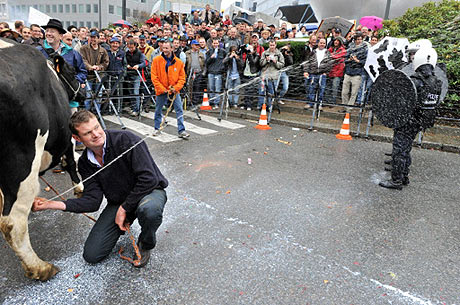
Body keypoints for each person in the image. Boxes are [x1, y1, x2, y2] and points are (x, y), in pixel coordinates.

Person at [33, 110, 168, 267]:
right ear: (77, 138)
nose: (96, 134)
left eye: (97, 127)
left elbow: (149, 179)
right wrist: (51, 204)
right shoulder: (85, 163)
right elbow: (92, 201)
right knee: (92, 254)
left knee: (150, 210)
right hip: (120, 202)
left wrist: (124, 209)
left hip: (149, 192)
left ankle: (146, 243)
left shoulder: (126, 139)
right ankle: (127, 217)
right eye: (88, 133)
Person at [379, 48, 442, 190]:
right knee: (406, 149)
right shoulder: (436, 82)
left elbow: (401, 101)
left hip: (408, 120)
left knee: (399, 150)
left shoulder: (415, 81)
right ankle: (404, 177)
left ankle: (396, 181)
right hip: (421, 121)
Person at [37, 19, 87, 114]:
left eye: (52, 31)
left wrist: (74, 81)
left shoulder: (72, 53)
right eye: (47, 31)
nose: (48, 33)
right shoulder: (38, 52)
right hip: (46, 102)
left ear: (60, 35)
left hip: (69, 102)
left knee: (71, 126)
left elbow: (82, 71)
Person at [151, 40, 190, 139]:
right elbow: (154, 77)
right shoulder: (156, 60)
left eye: (167, 48)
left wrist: (175, 88)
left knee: (179, 110)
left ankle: (181, 130)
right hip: (161, 90)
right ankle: (157, 127)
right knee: (158, 109)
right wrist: (162, 89)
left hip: (174, 90)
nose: (164, 50)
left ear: (172, 49)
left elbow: (182, 78)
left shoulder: (179, 62)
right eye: (163, 48)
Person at [80, 30, 110, 110]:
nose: (93, 39)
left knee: (98, 95)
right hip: (88, 76)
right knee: (88, 96)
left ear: (98, 38)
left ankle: (97, 112)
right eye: (91, 37)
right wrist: (90, 67)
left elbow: (106, 62)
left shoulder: (103, 50)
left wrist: (99, 67)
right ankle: (88, 112)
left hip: (98, 76)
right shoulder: (84, 48)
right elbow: (83, 60)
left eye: (95, 37)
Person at [341, 32, 367, 112]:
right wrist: (349, 60)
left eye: (360, 39)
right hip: (348, 72)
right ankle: (344, 106)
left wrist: (357, 60)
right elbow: (345, 60)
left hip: (357, 73)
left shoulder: (365, 49)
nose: (359, 41)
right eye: (358, 39)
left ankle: (349, 108)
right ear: (355, 40)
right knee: (344, 92)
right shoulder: (350, 48)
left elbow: (365, 62)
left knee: (354, 93)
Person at [303, 38, 332, 109]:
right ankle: (310, 103)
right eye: (321, 43)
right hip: (313, 73)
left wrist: (326, 72)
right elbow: (307, 62)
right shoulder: (313, 52)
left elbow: (330, 64)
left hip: (322, 74)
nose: (322, 44)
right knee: (311, 88)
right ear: (318, 43)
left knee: (321, 89)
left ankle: (320, 104)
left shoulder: (328, 53)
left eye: (324, 43)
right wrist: (306, 71)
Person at [259, 40, 284, 109]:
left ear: (275, 45)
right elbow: (261, 63)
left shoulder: (279, 54)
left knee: (271, 93)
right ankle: (260, 106)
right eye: (270, 45)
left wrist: (275, 62)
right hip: (264, 75)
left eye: (273, 45)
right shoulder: (264, 53)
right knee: (262, 91)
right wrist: (266, 60)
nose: (272, 47)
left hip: (274, 76)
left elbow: (282, 65)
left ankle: (269, 106)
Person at [124, 39, 147, 116]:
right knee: (131, 92)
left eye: (132, 47)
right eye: (129, 47)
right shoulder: (126, 53)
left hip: (137, 74)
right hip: (129, 74)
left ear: (135, 46)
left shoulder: (140, 53)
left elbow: (144, 63)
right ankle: (133, 107)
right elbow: (124, 62)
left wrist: (138, 66)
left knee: (135, 92)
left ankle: (137, 109)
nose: (130, 49)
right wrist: (126, 65)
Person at [206, 39, 226, 109]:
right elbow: (206, 62)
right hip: (211, 72)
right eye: (214, 43)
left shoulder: (223, 52)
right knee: (211, 88)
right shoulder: (209, 52)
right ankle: (211, 102)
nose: (215, 45)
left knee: (217, 88)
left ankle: (216, 103)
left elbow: (225, 61)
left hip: (218, 73)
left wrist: (222, 69)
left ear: (218, 44)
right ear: (212, 44)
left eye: (216, 43)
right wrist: (211, 58)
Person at [326, 36, 347, 104]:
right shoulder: (330, 49)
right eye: (335, 40)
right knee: (328, 87)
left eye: (338, 41)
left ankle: (333, 101)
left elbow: (336, 57)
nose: (336, 42)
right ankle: (327, 100)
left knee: (334, 87)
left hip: (337, 72)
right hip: (329, 71)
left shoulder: (343, 50)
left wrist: (331, 56)